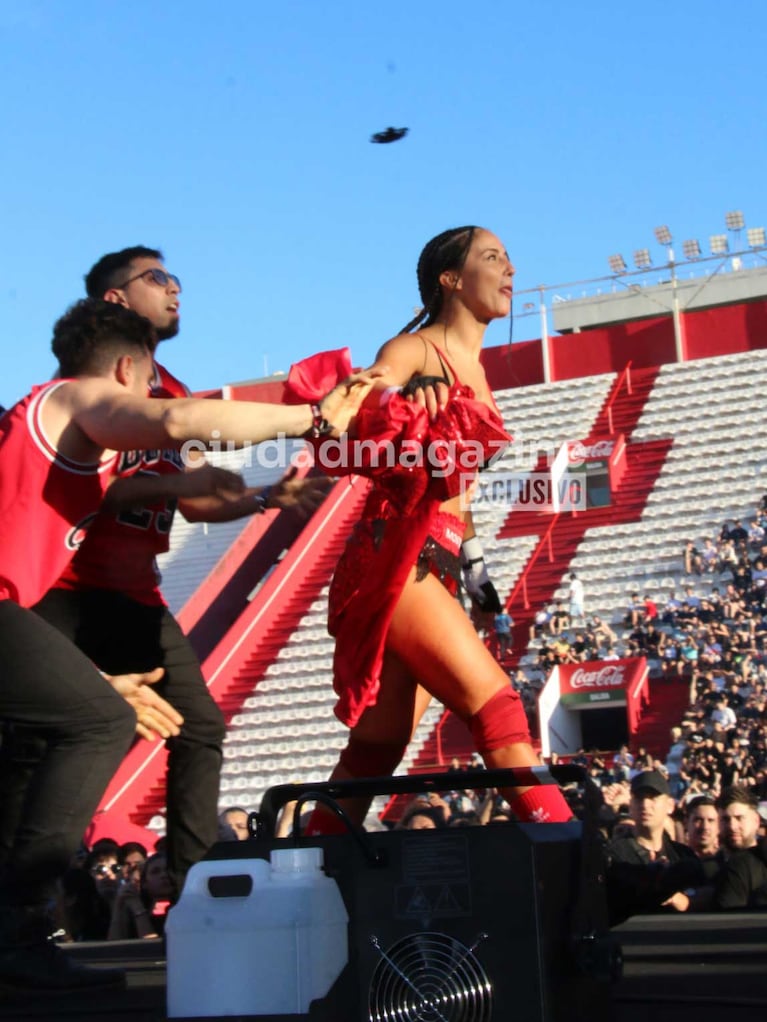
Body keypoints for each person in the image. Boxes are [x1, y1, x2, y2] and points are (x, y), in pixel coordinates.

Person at [0, 298, 375, 991]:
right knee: (99, 722)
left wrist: (246, 491)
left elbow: (153, 486)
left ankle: (17, 934)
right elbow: (178, 419)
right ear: (123, 369)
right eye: (143, 382)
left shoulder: (52, 431)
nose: (147, 398)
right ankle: (19, 930)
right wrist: (310, 419)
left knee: (47, 737)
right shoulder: (81, 397)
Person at [32, 247, 326, 902]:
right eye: (157, 278)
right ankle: (37, 908)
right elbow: (88, 492)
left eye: (175, 278)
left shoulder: (165, 390)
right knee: (61, 742)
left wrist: (261, 499)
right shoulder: (95, 390)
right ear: (113, 301)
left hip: (137, 592)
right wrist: (313, 417)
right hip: (70, 589)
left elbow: (189, 500)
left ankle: (191, 893)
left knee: (197, 729)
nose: (176, 290)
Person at [292, 226, 573, 833]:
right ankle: (570, 856)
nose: (511, 270)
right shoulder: (416, 349)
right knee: (497, 710)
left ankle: (308, 866)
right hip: (399, 552)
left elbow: (459, 491)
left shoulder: (477, 366)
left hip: (437, 562)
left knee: (377, 748)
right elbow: (352, 408)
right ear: (451, 279)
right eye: (493, 257)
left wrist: (474, 563)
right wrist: (396, 402)